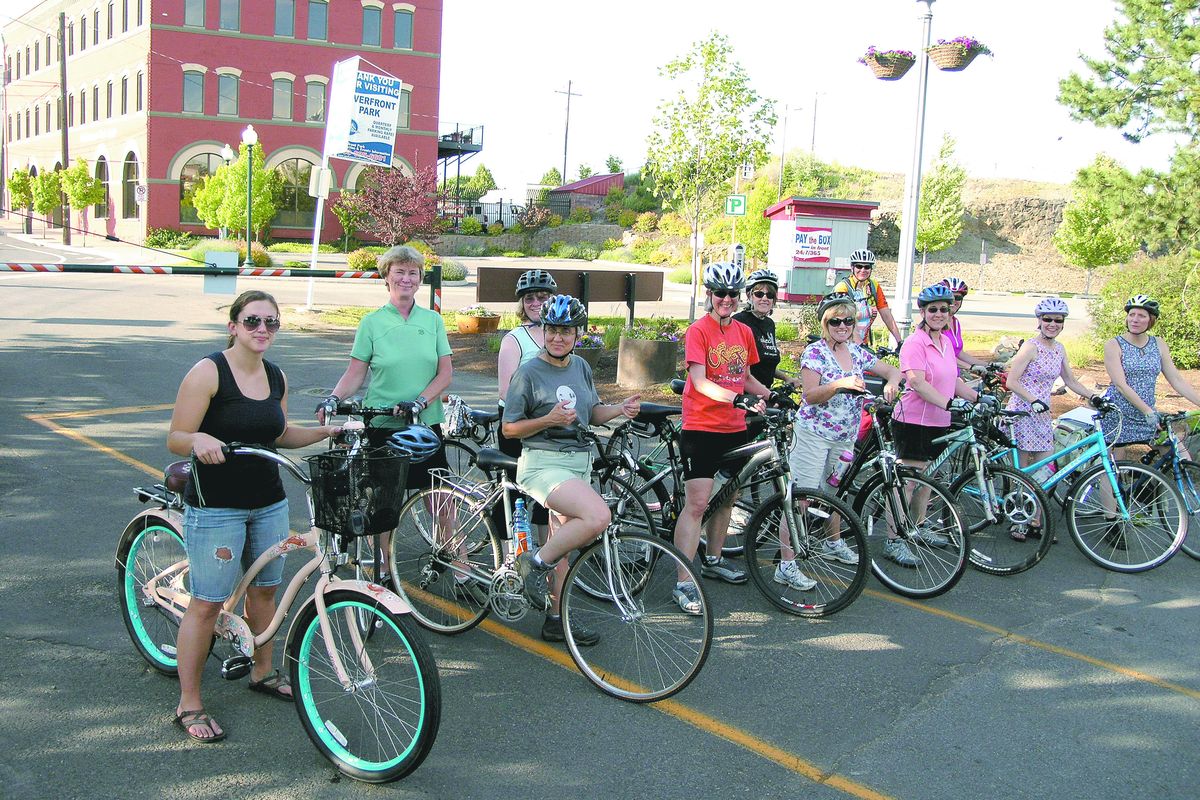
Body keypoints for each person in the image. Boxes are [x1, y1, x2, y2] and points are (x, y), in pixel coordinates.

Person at [167, 290, 342, 743]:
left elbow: (278, 434)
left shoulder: (276, 376)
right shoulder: (209, 372)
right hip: (217, 505)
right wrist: (198, 440)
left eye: (271, 322)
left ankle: (262, 672)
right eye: (252, 321)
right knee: (207, 603)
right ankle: (189, 703)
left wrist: (325, 432)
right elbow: (176, 436)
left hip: (269, 500)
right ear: (233, 326)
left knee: (265, 591)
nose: (262, 329)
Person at [502, 295, 641, 644]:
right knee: (598, 516)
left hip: (579, 462)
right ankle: (534, 563)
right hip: (543, 464)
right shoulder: (528, 372)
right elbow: (509, 429)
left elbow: (590, 413)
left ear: (578, 333)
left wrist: (619, 409)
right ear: (544, 331)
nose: (557, 337)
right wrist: (548, 420)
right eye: (551, 330)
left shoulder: (580, 366)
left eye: (566, 331)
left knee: (562, 544)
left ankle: (555, 619)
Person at [319, 245, 454, 580]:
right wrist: (333, 398)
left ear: (420, 279)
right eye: (400, 272)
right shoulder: (372, 323)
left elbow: (445, 373)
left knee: (440, 500)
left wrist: (420, 401)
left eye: (413, 273)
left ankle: (459, 565)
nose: (406, 278)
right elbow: (355, 373)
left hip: (424, 424)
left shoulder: (433, 320)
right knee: (385, 505)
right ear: (387, 277)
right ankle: (385, 569)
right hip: (383, 423)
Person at [785, 292, 902, 583]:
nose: (842, 326)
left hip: (844, 436)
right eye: (835, 321)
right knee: (800, 498)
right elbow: (810, 396)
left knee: (834, 493)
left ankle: (832, 542)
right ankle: (786, 564)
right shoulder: (815, 353)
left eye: (848, 321)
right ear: (825, 323)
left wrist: (892, 383)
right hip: (813, 435)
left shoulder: (856, 351)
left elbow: (892, 370)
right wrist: (839, 384)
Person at [673, 262, 770, 614]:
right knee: (697, 505)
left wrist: (770, 393)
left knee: (728, 497)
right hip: (702, 427)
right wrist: (737, 398)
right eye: (720, 293)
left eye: (732, 293)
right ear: (710, 295)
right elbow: (699, 381)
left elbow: (744, 376)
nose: (726, 299)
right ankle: (683, 582)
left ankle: (713, 560)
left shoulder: (743, 332)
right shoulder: (698, 331)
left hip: (734, 427)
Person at [888, 283, 982, 566]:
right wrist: (949, 403)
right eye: (933, 310)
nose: (939, 314)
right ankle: (893, 539)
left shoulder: (945, 342)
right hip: (914, 421)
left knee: (928, 480)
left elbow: (952, 379)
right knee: (906, 483)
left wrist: (978, 398)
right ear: (923, 312)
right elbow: (917, 382)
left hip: (938, 420)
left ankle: (917, 527)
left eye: (944, 309)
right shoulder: (915, 343)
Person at [1004, 297, 1101, 539]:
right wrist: (1033, 400)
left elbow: (1070, 381)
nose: (1052, 324)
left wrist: (1094, 396)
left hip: (1042, 417)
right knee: (1023, 471)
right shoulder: (1030, 347)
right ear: (1039, 320)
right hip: (1022, 413)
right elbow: (1012, 381)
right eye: (1048, 319)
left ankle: (1035, 519)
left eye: (1058, 320)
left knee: (1046, 470)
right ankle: (1018, 521)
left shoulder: (1059, 349)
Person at [1100, 295, 1200, 458]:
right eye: (1131, 314)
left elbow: (1176, 380)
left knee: (1181, 458)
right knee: (1116, 466)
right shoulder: (1114, 344)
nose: (1135, 319)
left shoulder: (1158, 343)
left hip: (1148, 415)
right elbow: (1120, 385)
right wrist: (1147, 411)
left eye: (1141, 316)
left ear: (1151, 320)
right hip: (1119, 415)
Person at [496, 269, 556, 536]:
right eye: (529, 298)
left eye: (542, 297)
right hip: (520, 422)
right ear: (522, 303)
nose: (536, 303)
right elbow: (505, 390)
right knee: (514, 489)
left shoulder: (558, 335)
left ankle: (547, 550)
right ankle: (504, 546)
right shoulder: (515, 339)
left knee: (550, 491)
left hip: (552, 423)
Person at [732, 269, 797, 390]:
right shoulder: (739, 322)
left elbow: (767, 365)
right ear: (749, 296)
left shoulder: (769, 324)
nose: (765, 298)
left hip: (766, 393)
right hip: (745, 393)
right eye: (759, 294)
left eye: (770, 295)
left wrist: (787, 378)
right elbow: (736, 368)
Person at [832, 248, 903, 348]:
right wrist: (860, 346)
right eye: (859, 266)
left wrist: (900, 341)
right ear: (852, 267)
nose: (863, 270)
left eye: (867, 267)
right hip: (842, 344)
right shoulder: (843, 288)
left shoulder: (874, 287)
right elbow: (844, 321)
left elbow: (887, 316)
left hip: (863, 343)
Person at [938, 276, 988, 375]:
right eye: (950, 296)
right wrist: (970, 367)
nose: (953, 300)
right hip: (938, 377)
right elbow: (942, 355)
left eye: (958, 298)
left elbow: (960, 354)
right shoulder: (936, 324)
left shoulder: (955, 322)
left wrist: (989, 365)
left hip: (954, 376)